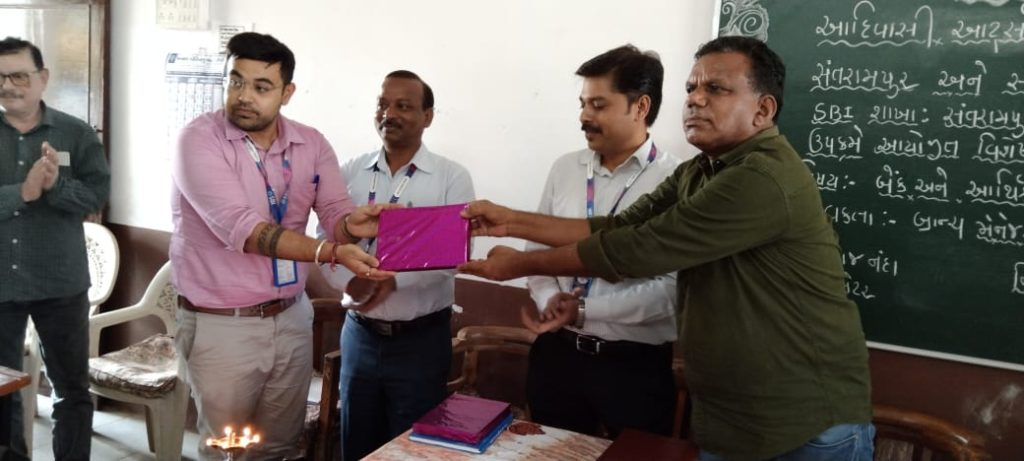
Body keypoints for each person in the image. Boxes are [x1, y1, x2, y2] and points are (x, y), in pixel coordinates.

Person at [460, 36, 873, 460]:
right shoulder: (699, 171)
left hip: (803, 424)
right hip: (734, 418)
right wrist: (509, 220)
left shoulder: (761, 176)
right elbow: (617, 226)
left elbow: (637, 248)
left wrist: (519, 265)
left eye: (715, 88)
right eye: (691, 88)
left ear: (763, 110)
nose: (695, 99)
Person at [171, 32, 392, 460]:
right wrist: (329, 252)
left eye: (261, 86)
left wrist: (352, 224)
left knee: (279, 448)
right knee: (227, 451)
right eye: (236, 81)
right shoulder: (198, 141)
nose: (243, 96)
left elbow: (334, 212)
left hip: (291, 316)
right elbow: (246, 231)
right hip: (223, 323)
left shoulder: (310, 143)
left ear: (287, 93)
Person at [521, 45, 680, 439]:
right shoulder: (565, 169)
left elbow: (672, 289)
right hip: (557, 357)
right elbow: (536, 254)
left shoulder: (676, 180)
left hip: (633, 367)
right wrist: (550, 300)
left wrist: (583, 310)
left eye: (598, 104)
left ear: (640, 107)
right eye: (582, 104)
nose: (584, 116)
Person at [319, 70, 475, 460]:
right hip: (359, 335)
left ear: (427, 116)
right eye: (383, 104)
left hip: (419, 341)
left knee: (411, 449)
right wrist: (349, 283)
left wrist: (390, 282)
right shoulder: (350, 171)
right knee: (355, 441)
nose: (389, 114)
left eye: (403, 106)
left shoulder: (451, 178)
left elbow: (451, 257)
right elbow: (323, 240)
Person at [0, 36, 109, 461]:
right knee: (3, 392)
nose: (8, 86)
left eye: (19, 76)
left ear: (42, 78)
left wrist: (55, 187)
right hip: (1, 285)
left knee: (72, 391)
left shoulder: (75, 133)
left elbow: (97, 196)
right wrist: (22, 192)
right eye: (0, 77)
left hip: (61, 284)